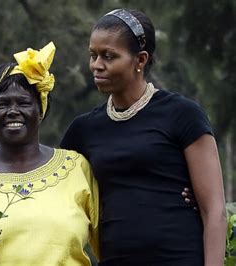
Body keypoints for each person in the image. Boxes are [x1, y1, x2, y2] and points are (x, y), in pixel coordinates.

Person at [60, 8, 226, 265]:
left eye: (108, 56)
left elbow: (214, 210)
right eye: (93, 55)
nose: (96, 65)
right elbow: (55, 193)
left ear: (140, 60)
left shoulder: (182, 115)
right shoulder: (84, 130)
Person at [0, 42, 99, 265]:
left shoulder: (77, 169)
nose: (13, 111)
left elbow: (109, 247)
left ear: (40, 108)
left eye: (24, 102)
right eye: (2, 104)